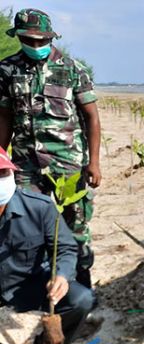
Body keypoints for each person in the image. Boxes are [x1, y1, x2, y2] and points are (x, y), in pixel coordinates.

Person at [0, 9, 101, 291]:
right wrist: (1, 157)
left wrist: (94, 163)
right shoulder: (7, 70)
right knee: (26, 228)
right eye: (28, 40)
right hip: (26, 167)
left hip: (68, 165)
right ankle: (35, 289)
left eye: (40, 40)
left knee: (76, 228)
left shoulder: (72, 69)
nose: (35, 46)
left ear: (50, 37)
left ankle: (83, 289)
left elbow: (91, 116)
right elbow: (5, 117)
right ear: (18, 37)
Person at [0, 146, 94, 344]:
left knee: (81, 299)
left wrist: (61, 275)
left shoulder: (39, 207)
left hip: (31, 284)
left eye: (4, 173)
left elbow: (65, 248)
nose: (1, 179)